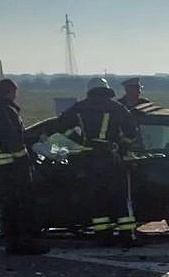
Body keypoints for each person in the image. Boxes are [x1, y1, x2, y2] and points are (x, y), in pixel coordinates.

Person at [56, 78, 140, 247]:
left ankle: (103, 236)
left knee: (97, 198)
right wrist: (122, 147)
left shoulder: (79, 108)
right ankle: (126, 236)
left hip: (88, 158)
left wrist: (77, 140)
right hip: (110, 157)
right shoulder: (116, 108)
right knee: (119, 197)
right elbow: (132, 132)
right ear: (106, 90)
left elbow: (60, 127)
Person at [0, 79, 48, 254]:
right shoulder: (8, 112)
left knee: (9, 206)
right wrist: (26, 162)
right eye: (14, 92)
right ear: (11, 91)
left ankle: (13, 243)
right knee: (23, 205)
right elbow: (16, 143)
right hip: (14, 167)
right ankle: (27, 244)